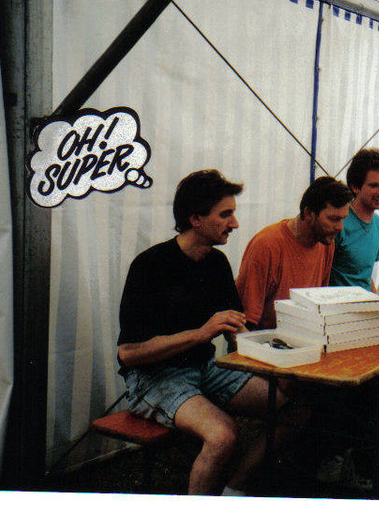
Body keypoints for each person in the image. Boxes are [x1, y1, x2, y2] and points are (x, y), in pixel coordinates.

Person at [117, 169, 277, 496]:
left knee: (292, 405)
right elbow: (129, 354)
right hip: (153, 377)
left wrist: (273, 353)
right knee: (222, 435)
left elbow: (236, 330)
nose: (235, 223)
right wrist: (200, 334)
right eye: (225, 215)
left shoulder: (217, 262)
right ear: (195, 219)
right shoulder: (150, 265)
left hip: (205, 368)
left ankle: (234, 491)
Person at [236, 176, 354, 329]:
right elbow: (245, 322)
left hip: (302, 334)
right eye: (333, 219)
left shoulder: (327, 243)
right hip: (264, 338)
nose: (340, 227)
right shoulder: (267, 245)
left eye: (343, 219)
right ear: (309, 213)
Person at [330, 148, 379, 291]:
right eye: (374, 185)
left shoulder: (378, 225)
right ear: (355, 187)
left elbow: (364, 276)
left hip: (364, 302)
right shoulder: (339, 223)